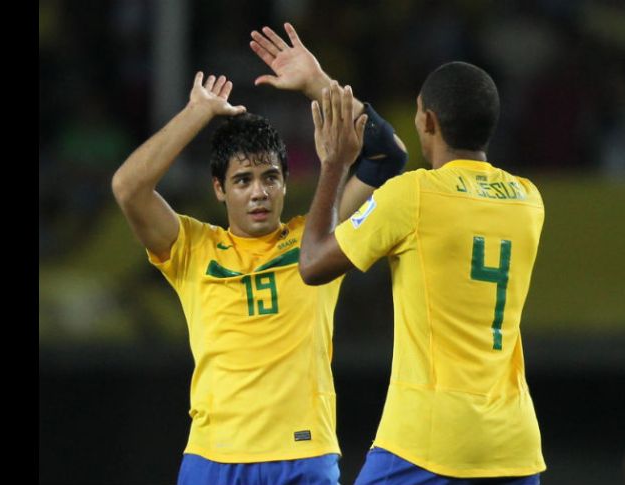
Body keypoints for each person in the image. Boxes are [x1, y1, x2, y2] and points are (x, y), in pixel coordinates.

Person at [110, 23, 406, 484]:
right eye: (243, 181)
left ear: (286, 183)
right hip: (213, 459)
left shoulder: (319, 238)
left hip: (303, 455)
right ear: (219, 190)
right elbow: (128, 188)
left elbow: (387, 154)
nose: (258, 193)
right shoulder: (190, 247)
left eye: (270, 177)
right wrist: (196, 113)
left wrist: (318, 84)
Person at [299, 62, 546, 484]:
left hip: (430, 440)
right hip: (514, 445)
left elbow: (313, 263)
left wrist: (333, 165)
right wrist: (319, 84)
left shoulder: (413, 195)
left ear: (428, 120)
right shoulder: (528, 200)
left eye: (417, 112)